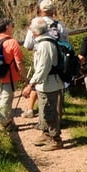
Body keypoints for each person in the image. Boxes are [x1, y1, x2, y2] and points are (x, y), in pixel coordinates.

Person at [21, 0, 67, 119]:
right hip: (58, 64)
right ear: (53, 10)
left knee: (38, 82)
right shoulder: (60, 25)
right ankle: (58, 119)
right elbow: (66, 44)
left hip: (41, 56)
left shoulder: (36, 23)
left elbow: (27, 45)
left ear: (40, 10)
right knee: (57, 91)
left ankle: (31, 110)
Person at [22, 17, 63, 151]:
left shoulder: (45, 45)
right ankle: (46, 134)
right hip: (47, 83)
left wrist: (30, 85)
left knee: (49, 111)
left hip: (49, 84)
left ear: (34, 31)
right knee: (44, 111)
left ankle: (56, 139)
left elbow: (42, 68)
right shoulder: (45, 41)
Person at [0, 18, 24, 130]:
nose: (13, 26)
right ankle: (5, 124)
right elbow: (19, 62)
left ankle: (4, 121)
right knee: (6, 99)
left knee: (1, 97)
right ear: (6, 27)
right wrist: (25, 77)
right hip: (10, 75)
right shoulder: (12, 42)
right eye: (11, 25)